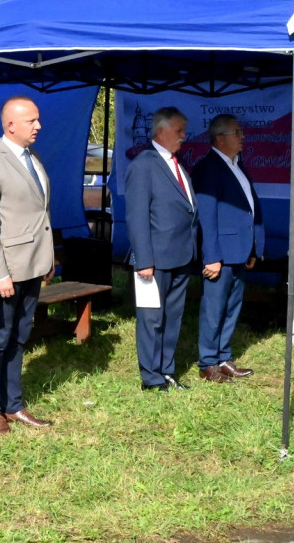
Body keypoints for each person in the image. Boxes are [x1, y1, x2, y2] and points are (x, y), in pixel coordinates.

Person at [0, 96, 55, 435]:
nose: (38, 126)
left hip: (34, 264)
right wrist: (0, 273)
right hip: (8, 270)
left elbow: (40, 212)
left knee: (20, 336)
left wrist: (48, 258)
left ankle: (14, 404)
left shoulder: (31, 157)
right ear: (11, 125)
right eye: (31, 121)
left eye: (37, 120)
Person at [124, 106, 199, 392]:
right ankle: (151, 377)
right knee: (152, 318)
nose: (184, 136)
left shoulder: (176, 164)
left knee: (173, 317)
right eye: (179, 130)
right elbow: (137, 216)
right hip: (154, 258)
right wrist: (144, 259)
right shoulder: (144, 164)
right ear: (161, 131)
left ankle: (166, 370)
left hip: (180, 255)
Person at [191, 115, 263, 384]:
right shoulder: (209, 168)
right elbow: (207, 217)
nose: (243, 136)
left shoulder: (237, 164)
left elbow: (248, 209)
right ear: (220, 138)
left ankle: (223, 357)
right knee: (214, 307)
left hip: (239, 250)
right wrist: (212, 257)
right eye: (237, 132)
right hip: (220, 253)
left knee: (232, 307)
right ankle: (207, 362)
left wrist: (254, 247)